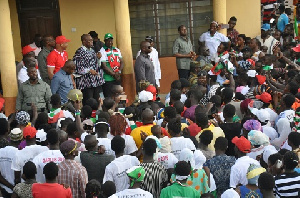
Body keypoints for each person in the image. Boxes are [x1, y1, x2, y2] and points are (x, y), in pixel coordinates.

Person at [73, 34, 104, 104]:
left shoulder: (92, 51)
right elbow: (77, 68)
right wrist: (89, 71)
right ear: (84, 42)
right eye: (89, 40)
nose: (92, 42)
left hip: (95, 82)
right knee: (89, 103)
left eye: (92, 40)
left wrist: (98, 59)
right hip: (86, 83)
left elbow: (97, 65)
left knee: (98, 101)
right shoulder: (79, 52)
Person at [100, 33, 124, 97]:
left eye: (111, 40)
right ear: (104, 41)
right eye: (108, 40)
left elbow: (122, 62)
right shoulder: (102, 51)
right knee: (109, 97)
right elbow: (104, 66)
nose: (110, 42)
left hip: (117, 77)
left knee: (119, 96)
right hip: (108, 78)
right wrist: (114, 74)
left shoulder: (116, 50)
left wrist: (119, 72)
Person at [0, 128, 23, 196]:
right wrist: (14, 190)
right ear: (21, 140)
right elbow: (17, 178)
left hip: (3, 190)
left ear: (9, 138)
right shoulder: (19, 154)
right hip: (16, 192)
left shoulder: (1, 151)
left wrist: (9, 187)